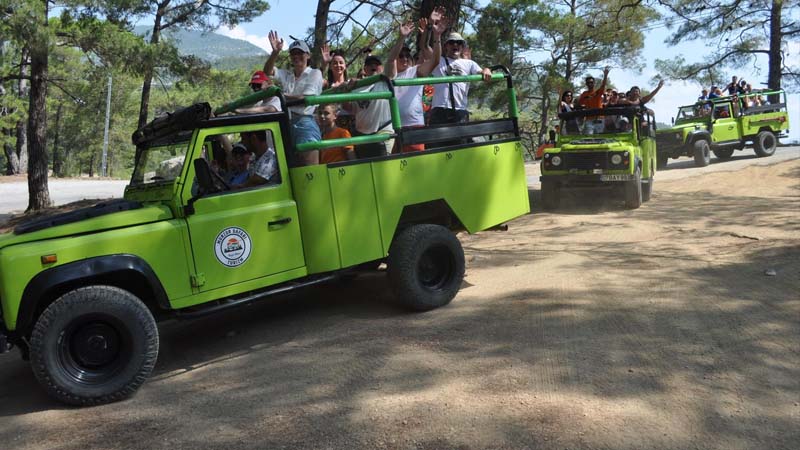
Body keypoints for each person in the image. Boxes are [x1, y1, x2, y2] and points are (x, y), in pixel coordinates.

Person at [385, 9, 447, 152]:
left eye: (408, 55)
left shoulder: (415, 72)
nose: (405, 58)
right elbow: (391, 59)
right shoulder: (390, 76)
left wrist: (436, 35)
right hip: (394, 129)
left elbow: (435, 60)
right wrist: (401, 38)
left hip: (414, 128)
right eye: (401, 56)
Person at [263, 32, 323, 165]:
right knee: (293, 167)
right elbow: (266, 72)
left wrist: (279, 94)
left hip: (305, 122)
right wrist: (275, 53)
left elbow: (304, 100)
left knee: (310, 167)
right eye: (293, 53)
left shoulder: (314, 73)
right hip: (287, 122)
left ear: (308, 55)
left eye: (300, 53)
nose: (296, 56)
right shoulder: (287, 75)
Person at [429, 31, 493, 127]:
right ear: (446, 46)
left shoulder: (469, 63)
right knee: (437, 141)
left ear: (462, 47)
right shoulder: (438, 61)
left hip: (460, 111)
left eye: (459, 42)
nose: (455, 44)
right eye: (451, 42)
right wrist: (434, 32)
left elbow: (481, 71)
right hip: (440, 110)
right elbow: (425, 49)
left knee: (461, 141)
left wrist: (487, 69)